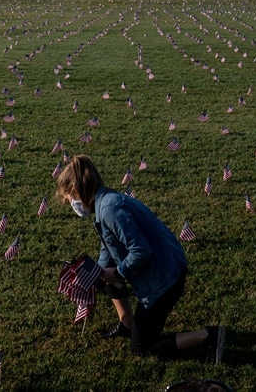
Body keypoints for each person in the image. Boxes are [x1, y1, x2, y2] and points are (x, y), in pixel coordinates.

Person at [56, 155, 224, 362]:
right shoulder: (105, 201)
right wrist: (94, 281)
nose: (69, 203)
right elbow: (107, 248)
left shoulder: (109, 210)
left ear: (77, 191)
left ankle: (208, 336)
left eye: (68, 198)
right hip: (167, 267)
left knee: (142, 348)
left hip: (165, 281)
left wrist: (117, 272)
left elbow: (141, 251)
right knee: (104, 272)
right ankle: (127, 325)